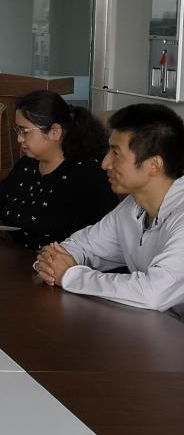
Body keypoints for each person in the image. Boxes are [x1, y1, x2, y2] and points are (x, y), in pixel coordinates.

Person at [35, 104, 184, 319]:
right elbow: (82, 246)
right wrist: (53, 263)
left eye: (116, 153)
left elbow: (153, 292)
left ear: (154, 164)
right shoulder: (132, 206)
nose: (105, 163)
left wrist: (70, 276)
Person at [0, 91, 118, 249]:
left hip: (63, 275)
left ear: (54, 132)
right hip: (19, 266)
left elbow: (104, 243)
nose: (19, 139)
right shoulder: (27, 166)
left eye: (25, 131)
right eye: (18, 130)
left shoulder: (89, 175)